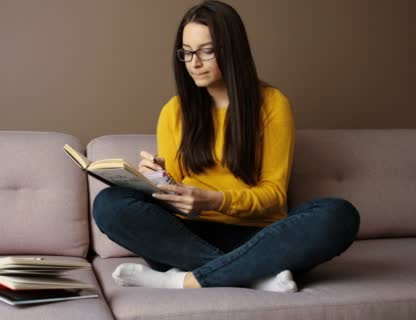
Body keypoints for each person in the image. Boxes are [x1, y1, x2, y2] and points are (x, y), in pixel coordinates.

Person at [92, 0, 360, 292]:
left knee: (338, 215)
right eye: (187, 52)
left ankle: (183, 279)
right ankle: (253, 276)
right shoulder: (174, 111)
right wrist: (158, 180)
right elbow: (180, 196)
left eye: (207, 51)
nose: (194, 62)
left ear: (232, 50)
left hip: (259, 237)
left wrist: (213, 200)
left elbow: (273, 195)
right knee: (110, 203)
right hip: (187, 237)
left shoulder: (272, 105)